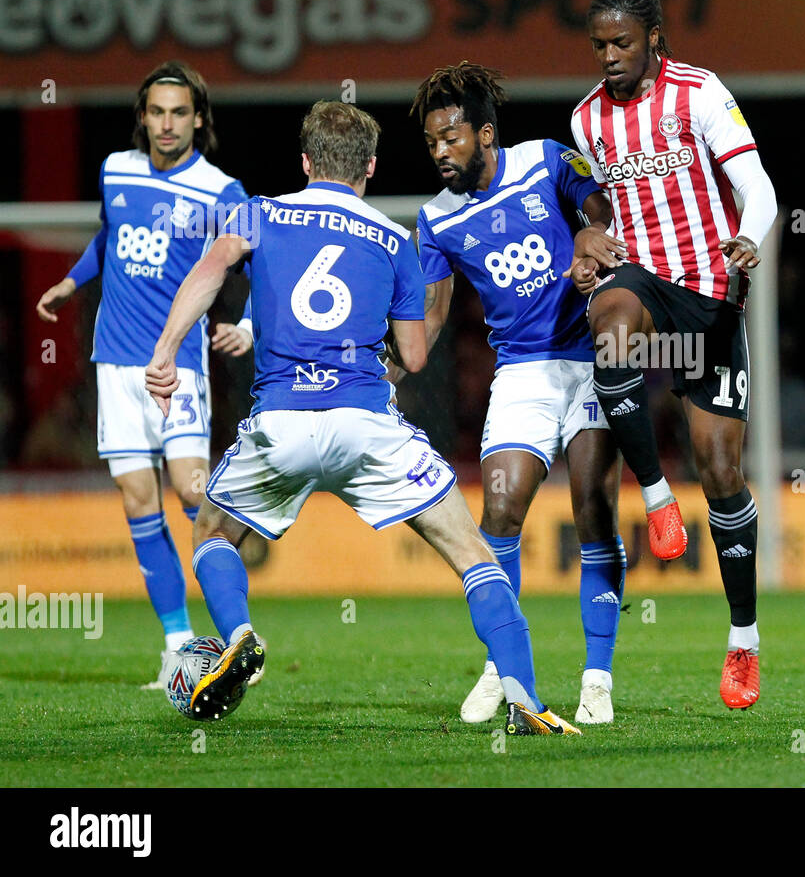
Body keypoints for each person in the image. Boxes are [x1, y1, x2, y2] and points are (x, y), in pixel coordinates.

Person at [144, 101, 579, 735]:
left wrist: (164, 354)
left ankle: (240, 635)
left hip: (282, 422)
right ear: (371, 166)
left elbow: (208, 273)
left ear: (303, 160)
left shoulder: (254, 212)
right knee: (471, 551)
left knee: (211, 533)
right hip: (366, 423)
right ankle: (527, 701)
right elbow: (413, 353)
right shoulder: (397, 239)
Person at [565, 0, 778, 709]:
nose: (609, 56)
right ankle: (656, 499)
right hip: (644, 281)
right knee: (610, 325)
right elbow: (596, 197)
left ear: (654, 36)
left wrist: (750, 236)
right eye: (599, 45)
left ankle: (744, 640)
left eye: (621, 42)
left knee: (721, 473)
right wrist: (591, 235)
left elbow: (760, 186)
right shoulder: (587, 118)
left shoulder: (699, 93)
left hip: (712, 298)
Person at [406, 63, 628, 725]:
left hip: (592, 357)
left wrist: (590, 230)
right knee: (499, 513)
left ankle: (597, 679)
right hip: (523, 372)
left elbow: (597, 202)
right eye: (431, 142)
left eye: (451, 137)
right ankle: (502, 670)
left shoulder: (543, 159)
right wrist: (392, 368)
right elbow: (434, 312)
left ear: (486, 133)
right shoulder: (435, 220)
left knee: (594, 511)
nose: (441, 152)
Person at [35, 61, 253, 690]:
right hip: (116, 364)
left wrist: (252, 328)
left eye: (179, 112)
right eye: (156, 112)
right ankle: (180, 646)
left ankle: (236, 625)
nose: (166, 123)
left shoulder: (222, 190)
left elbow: (262, 261)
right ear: (142, 116)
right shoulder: (116, 170)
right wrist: (71, 282)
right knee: (137, 499)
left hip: (178, 367)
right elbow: (109, 236)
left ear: (199, 119)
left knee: (191, 491)